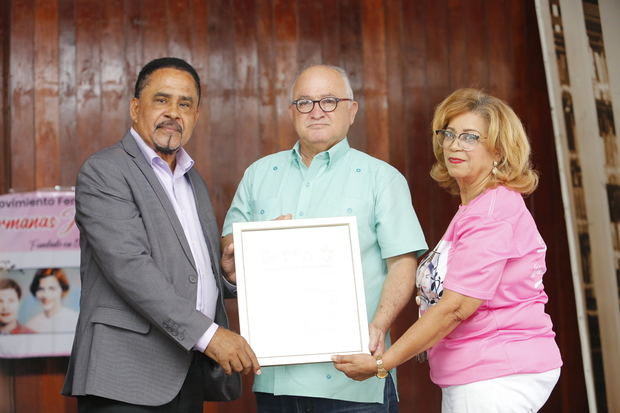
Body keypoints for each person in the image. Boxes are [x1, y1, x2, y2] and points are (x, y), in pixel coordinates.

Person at [332, 88, 563, 413]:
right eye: (449, 134)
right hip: (481, 370)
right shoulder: (476, 207)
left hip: (495, 370)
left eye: (470, 137)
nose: (454, 144)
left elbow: (456, 308)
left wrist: (382, 363)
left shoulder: (491, 213)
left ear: (498, 151)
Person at [221, 64, 427, 412]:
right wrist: (243, 254)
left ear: (352, 110)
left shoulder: (382, 179)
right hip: (276, 378)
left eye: (329, 101)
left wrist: (379, 325)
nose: (316, 111)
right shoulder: (258, 175)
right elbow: (231, 252)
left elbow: (403, 265)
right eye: (304, 102)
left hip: (354, 381)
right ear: (291, 112)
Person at [62, 57, 259, 413]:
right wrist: (210, 335)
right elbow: (130, 267)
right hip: (125, 377)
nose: (174, 112)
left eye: (185, 104)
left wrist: (226, 276)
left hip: (186, 374)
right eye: (162, 100)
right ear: (135, 108)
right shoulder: (105, 171)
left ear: (197, 116)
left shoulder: (192, 180)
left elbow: (187, 267)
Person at [25, 268, 79, 333]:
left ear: (62, 290)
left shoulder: (75, 320)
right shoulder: (31, 325)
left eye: (51, 288)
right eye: (40, 289)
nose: (46, 295)